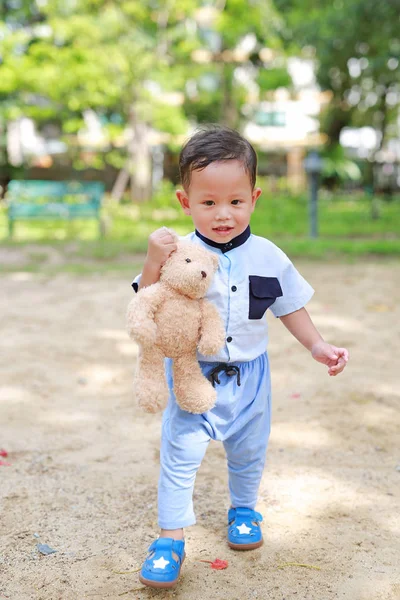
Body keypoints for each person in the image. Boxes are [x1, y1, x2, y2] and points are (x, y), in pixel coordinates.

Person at [131, 125, 349, 589]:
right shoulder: (178, 255)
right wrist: (152, 256)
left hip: (251, 377)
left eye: (235, 201)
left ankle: (244, 511)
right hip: (192, 375)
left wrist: (317, 345)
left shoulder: (269, 256)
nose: (223, 214)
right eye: (208, 203)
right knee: (180, 454)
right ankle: (170, 539)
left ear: (254, 197)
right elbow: (145, 295)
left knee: (249, 451)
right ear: (185, 202)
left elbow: (291, 306)